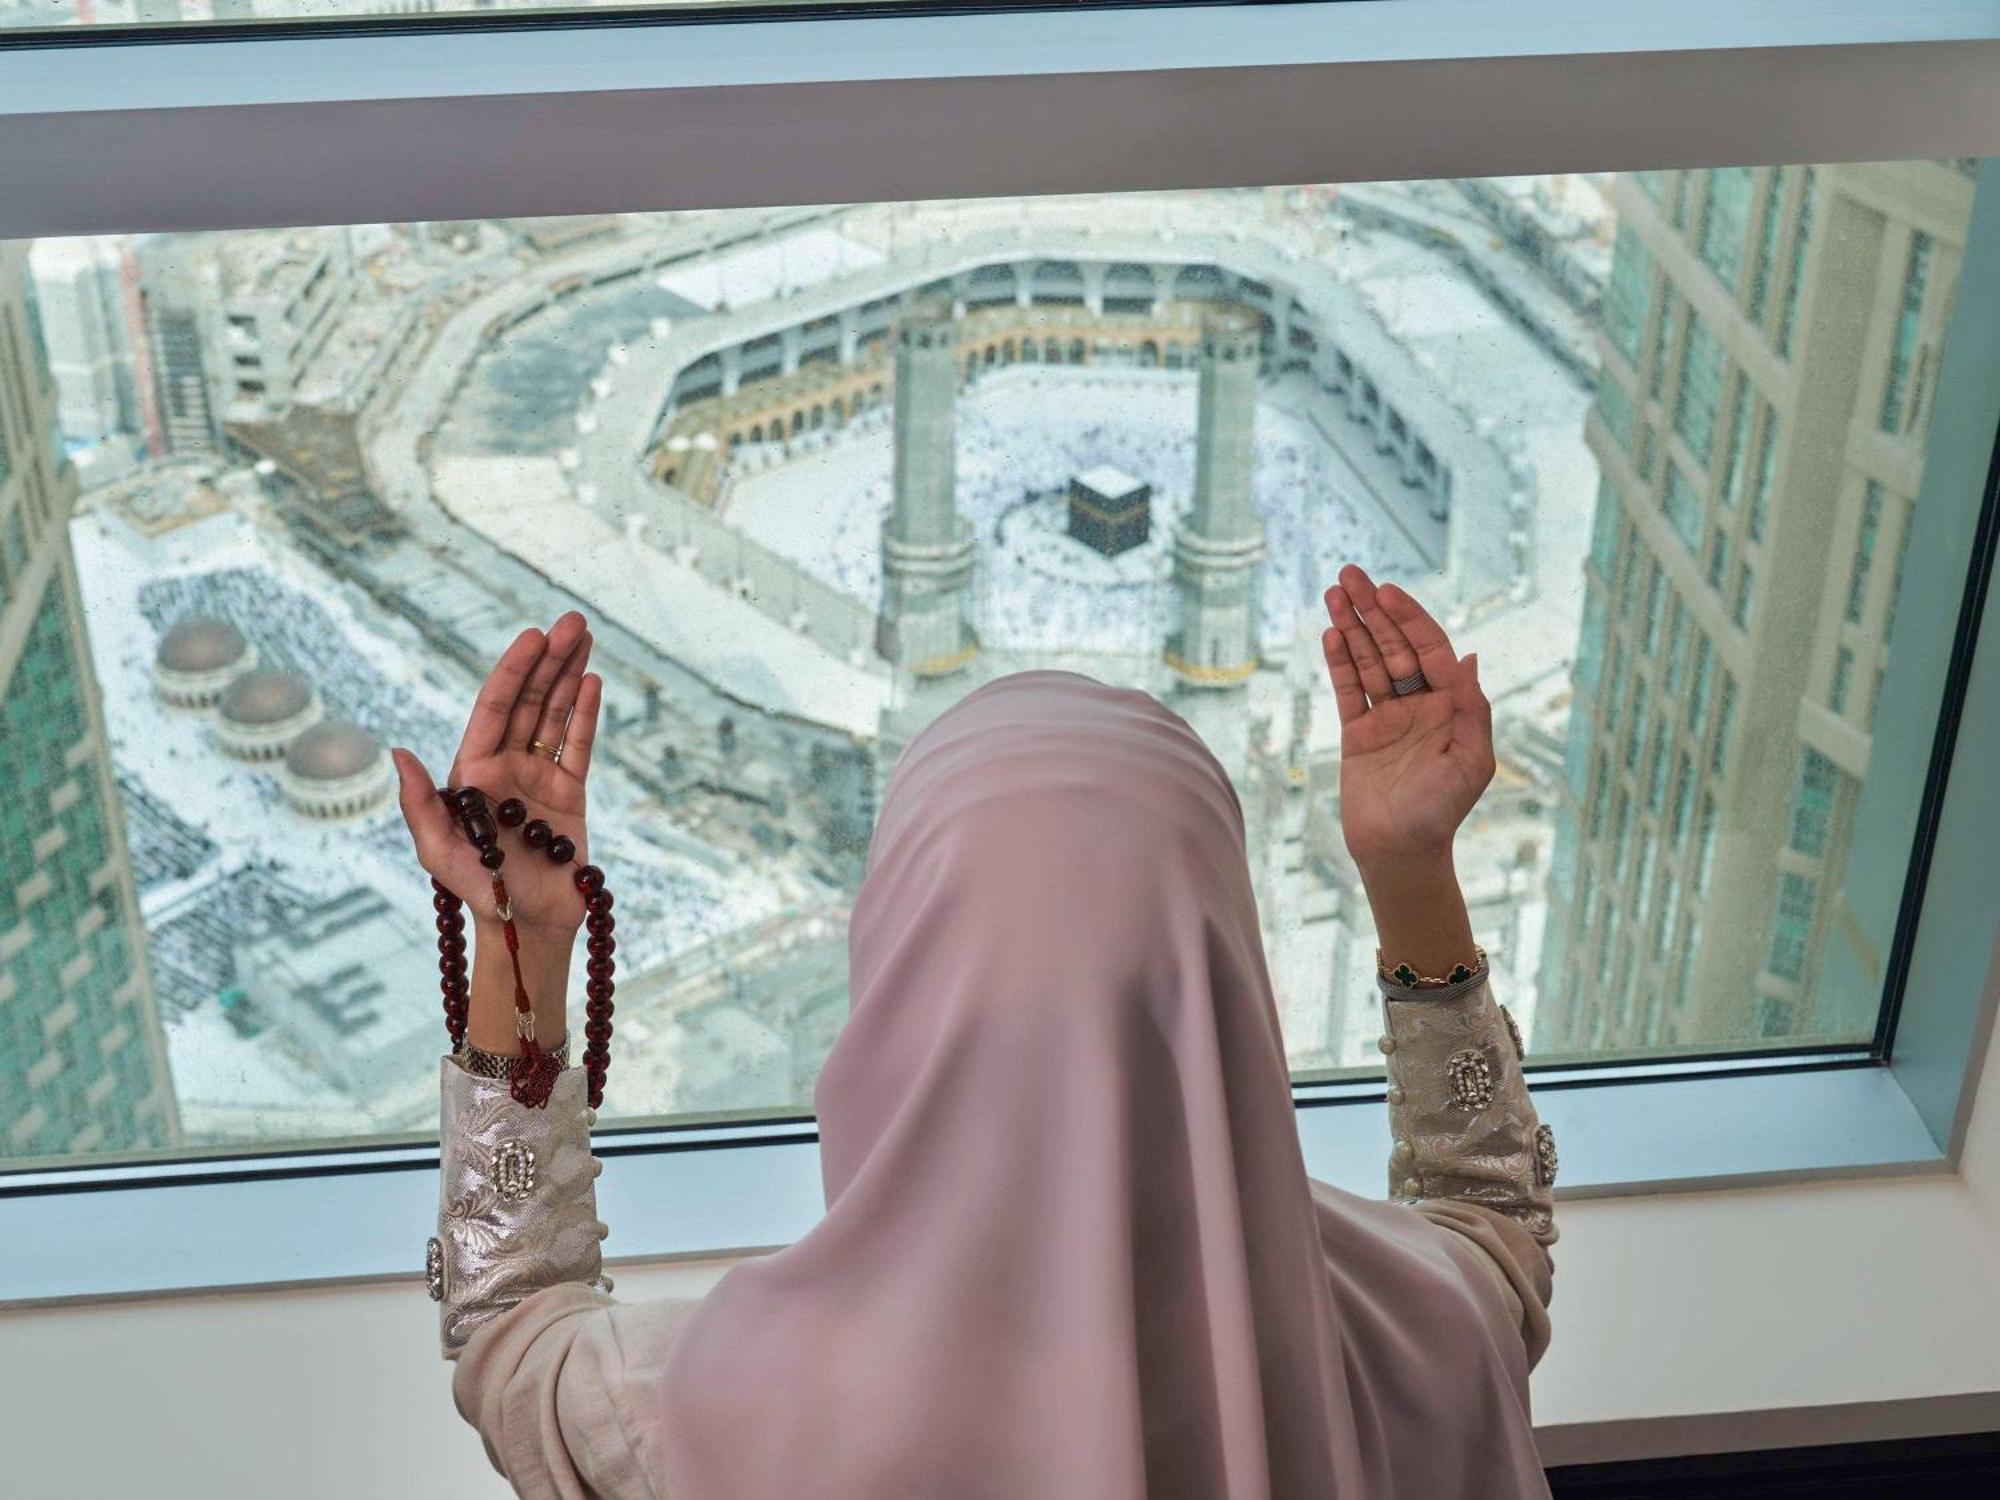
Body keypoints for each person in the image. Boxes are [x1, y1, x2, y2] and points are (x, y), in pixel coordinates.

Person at [393, 563, 1558, 1500]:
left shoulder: (722, 1425)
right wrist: (1409, 873)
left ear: (901, 988)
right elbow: (1489, 1218)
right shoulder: (1412, 1345)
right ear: (1220, 978)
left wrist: (519, 944)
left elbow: (514, 1336)